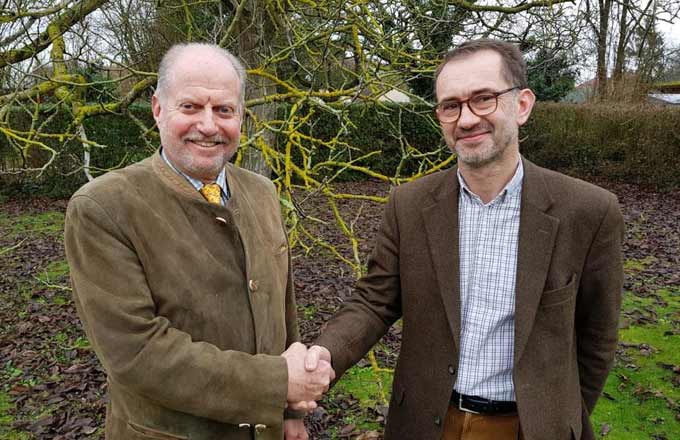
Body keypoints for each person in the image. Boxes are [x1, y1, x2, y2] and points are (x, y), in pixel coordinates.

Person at [304, 39, 624, 440]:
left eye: (484, 99)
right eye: (451, 105)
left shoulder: (588, 212)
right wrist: (324, 354)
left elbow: (598, 338)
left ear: (522, 105)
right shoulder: (410, 204)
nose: (467, 119)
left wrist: (560, 414)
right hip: (427, 423)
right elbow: (374, 300)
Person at [64, 43, 334, 440]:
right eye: (190, 107)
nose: (208, 125)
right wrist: (278, 383)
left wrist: (290, 410)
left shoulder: (261, 192)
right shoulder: (103, 207)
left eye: (224, 110)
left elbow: (281, 306)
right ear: (157, 109)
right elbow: (135, 352)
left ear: (241, 116)